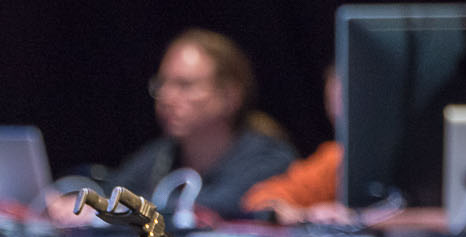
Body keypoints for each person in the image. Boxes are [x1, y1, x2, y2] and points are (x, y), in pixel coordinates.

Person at [55, 29, 294, 224]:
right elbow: (112, 191)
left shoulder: (268, 157)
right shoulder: (161, 154)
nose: (167, 98)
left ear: (229, 96)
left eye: (185, 85)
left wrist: (119, 210)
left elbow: (224, 205)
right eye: (162, 84)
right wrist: (80, 204)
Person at [242, 63, 347, 224]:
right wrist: (306, 214)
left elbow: (399, 213)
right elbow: (260, 198)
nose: (339, 118)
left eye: (347, 103)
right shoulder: (338, 158)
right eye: (333, 109)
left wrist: (358, 217)